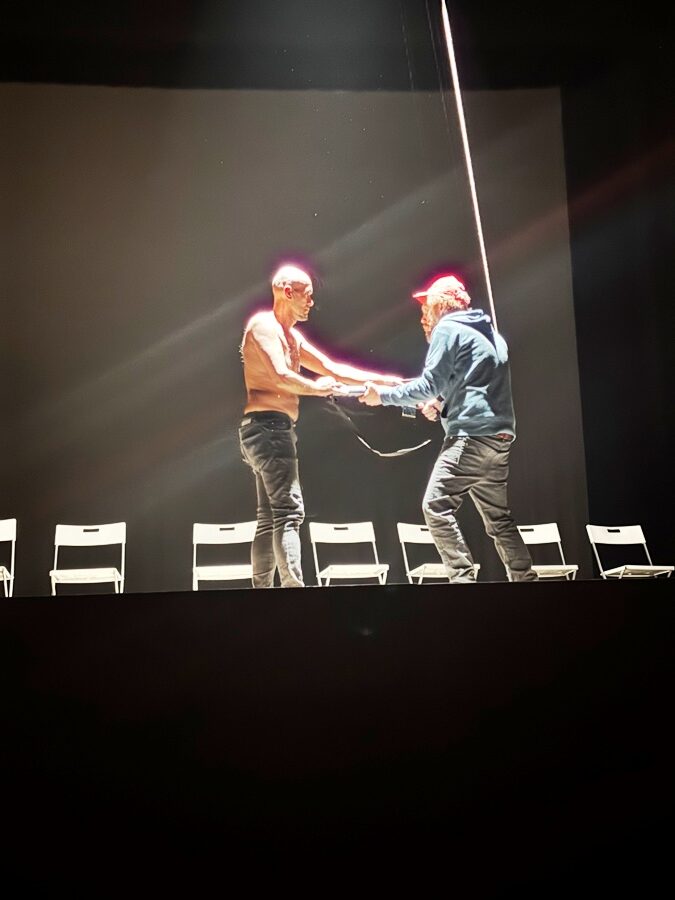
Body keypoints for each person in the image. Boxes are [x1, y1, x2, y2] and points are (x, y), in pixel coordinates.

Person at [359, 274, 537, 583]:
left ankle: (462, 581)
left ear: (441, 305)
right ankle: (527, 583)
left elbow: (428, 385)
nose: (423, 316)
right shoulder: (490, 334)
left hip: (470, 437)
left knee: (435, 507)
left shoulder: (447, 328)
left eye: (426, 307)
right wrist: (442, 404)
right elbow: (474, 384)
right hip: (499, 438)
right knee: (499, 520)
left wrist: (382, 396)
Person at [239, 264, 402, 588]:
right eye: (307, 295)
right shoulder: (263, 326)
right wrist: (317, 388)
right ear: (288, 293)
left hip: (272, 430)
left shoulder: (292, 336)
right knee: (289, 512)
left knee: (270, 517)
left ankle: (262, 591)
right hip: (267, 429)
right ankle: (292, 589)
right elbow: (280, 377)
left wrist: (387, 382)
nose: (311, 303)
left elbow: (332, 368)